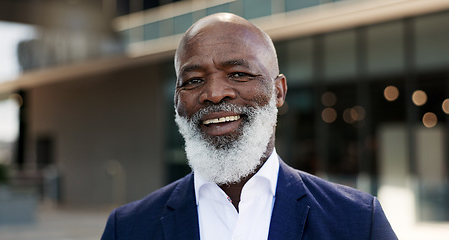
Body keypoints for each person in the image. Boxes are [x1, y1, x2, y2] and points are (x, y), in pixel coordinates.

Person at [101, 13, 397, 240]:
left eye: (239, 74)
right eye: (193, 80)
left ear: (278, 92)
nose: (215, 94)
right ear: (177, 100)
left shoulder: (358, 221)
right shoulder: (127, 229)